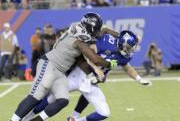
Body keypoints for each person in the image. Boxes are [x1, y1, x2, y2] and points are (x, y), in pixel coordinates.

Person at [10, 12, 118, 121]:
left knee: (63, 100)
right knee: (36, 96)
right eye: (95, 29)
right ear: (89, 27)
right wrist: (112, 63)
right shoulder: (80, 38)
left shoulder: (79, 28)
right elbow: (95, 58)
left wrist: (113, 33)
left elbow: (85, 52)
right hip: (49, 64)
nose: (97, 32)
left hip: (59, 72)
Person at [23, 31, 152, 121]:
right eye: (130, 47)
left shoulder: (123, 55)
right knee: (51, 98)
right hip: (79, 75)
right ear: (122, 43)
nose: (131, 50)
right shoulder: (106, 41)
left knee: (104, 113)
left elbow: (127, 68)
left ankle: (74, 119)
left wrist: (139, 79)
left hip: (91, 82)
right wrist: (97, 69)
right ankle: (28, 117)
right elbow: (87, 53)